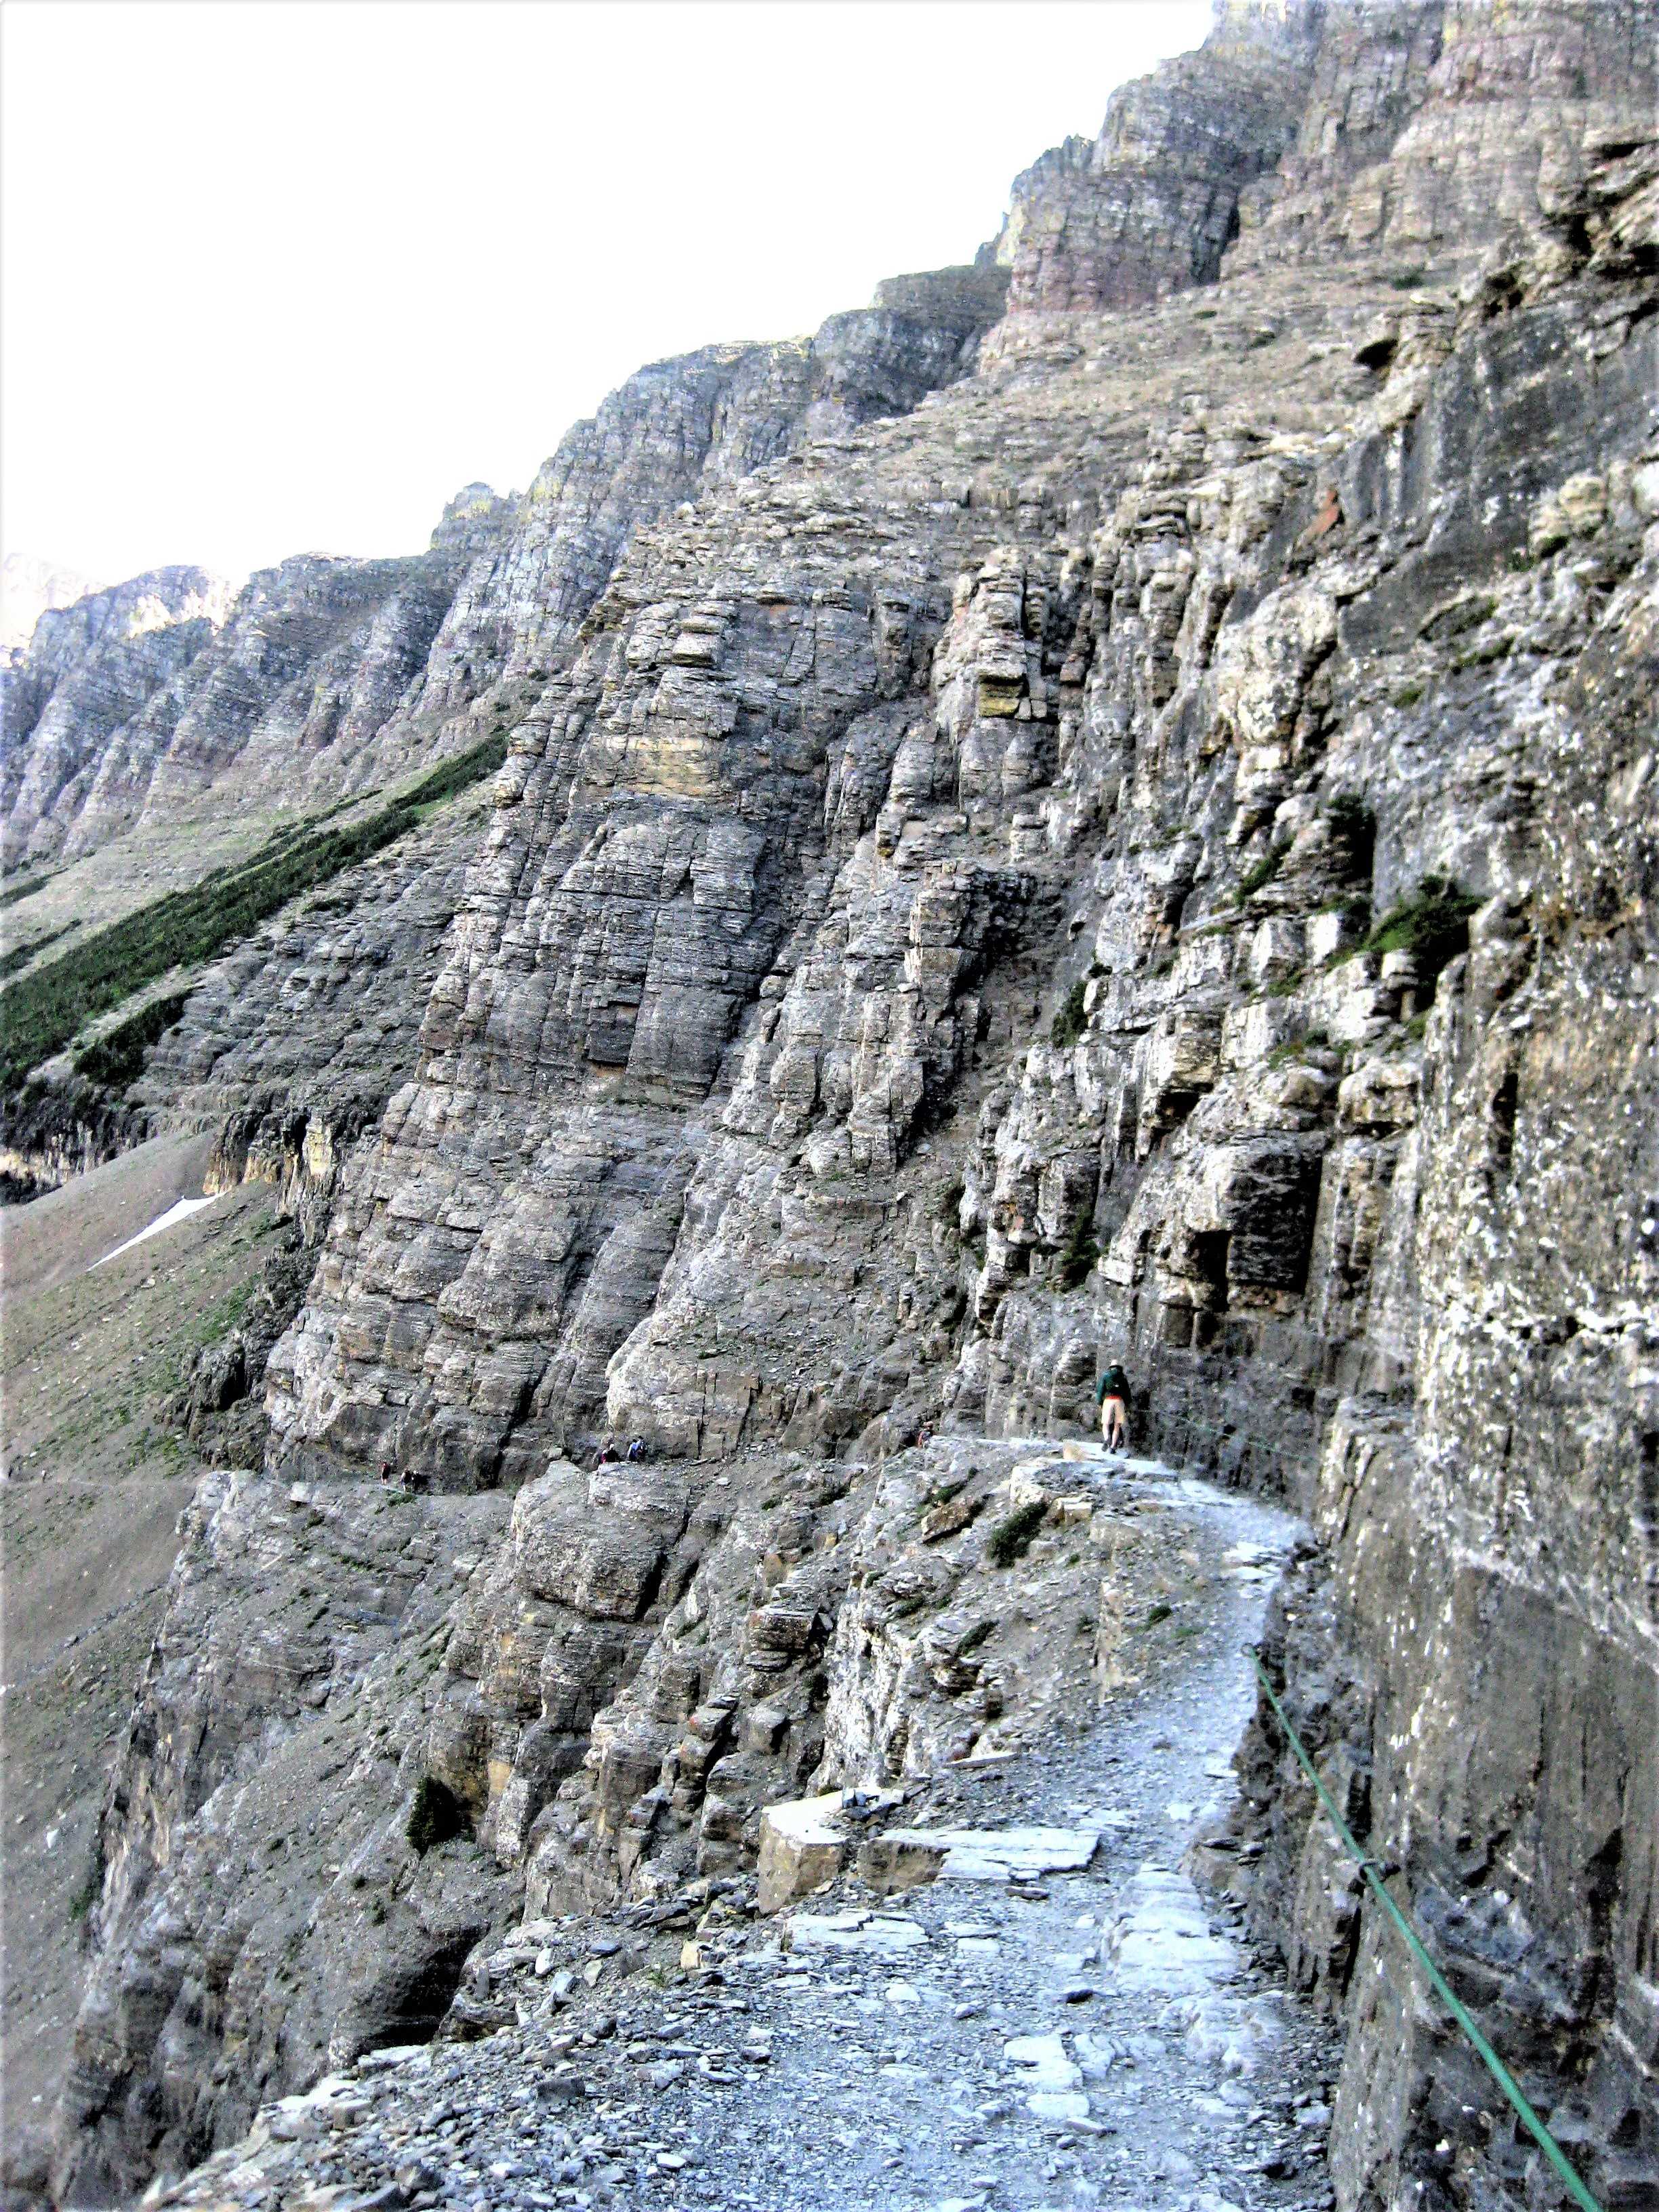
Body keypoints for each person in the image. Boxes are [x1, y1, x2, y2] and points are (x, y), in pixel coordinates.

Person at [1096, 1360, 1132, 1453]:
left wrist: (1099, 1402)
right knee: (1117, 1425)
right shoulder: (1123, 1377)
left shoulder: (1106, 1376)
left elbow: (1101, 1390)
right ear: (1119, 1367)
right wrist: (1127, 1404)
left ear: (1111, 1367)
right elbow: (1127, 1393)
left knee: (1106, 1423)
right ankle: (1112, 1447)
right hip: (1119, 1401)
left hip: (1108, 1401)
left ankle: (1107, 1438)